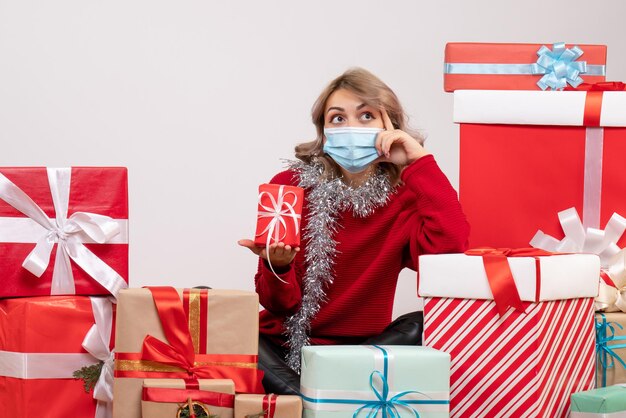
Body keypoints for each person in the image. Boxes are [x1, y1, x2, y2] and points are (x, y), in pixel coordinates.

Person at [238, 67, 469, 395]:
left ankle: (305, 399)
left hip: (360, 353)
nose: (350, 128)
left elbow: (450, 250)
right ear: (323, 131)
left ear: (389, 126)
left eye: (365, 116)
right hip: (282, 348)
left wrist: (418, 162)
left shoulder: (405, 197)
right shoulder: (289, 187)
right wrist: (279, 265)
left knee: (422, 323)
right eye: (337, 118)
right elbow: (277, 305)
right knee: (225, 322)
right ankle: (320, 400)